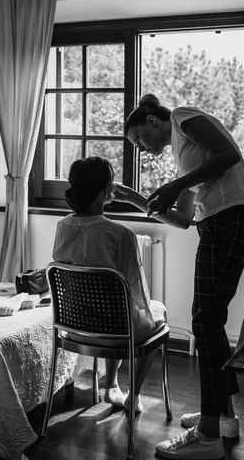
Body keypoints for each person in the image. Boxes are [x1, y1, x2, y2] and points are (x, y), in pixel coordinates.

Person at [115, 94, 244, 459]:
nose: (141, 149)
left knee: (205, 324)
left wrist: (177, 186)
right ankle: (222, 416)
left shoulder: (182, 117)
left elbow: (230, 155)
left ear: (152, 121)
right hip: (216, 227)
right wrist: (138, 199)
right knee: (210, 324)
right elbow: (183, 221)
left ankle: (209, 436)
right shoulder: (185, 160)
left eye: (138, 139)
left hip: (231, 223)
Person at [52, 156, 166, 414]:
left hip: (73, 328)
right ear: (106, 192)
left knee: (115, 312)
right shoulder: (120, 233)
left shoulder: (62, 227)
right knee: (156, 311)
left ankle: (112, 385)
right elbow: (135, 290)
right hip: (114, 331)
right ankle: (132, 395)